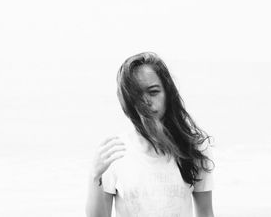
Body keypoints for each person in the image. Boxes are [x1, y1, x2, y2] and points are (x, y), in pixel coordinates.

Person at [86, 52, 215, 217]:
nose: (146, 101)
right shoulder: (115, 153)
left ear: (168, 93)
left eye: (153, 92)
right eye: (137, 95)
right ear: (127, 100)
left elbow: (205, 213)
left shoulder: (194, 148)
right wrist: (94, 175)